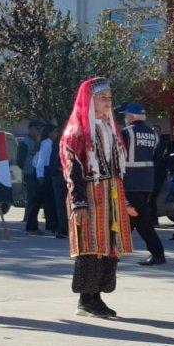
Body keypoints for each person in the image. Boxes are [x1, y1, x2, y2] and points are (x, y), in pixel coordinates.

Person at [61, 78, 135, 319]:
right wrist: (78, 202)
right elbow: (72, 171)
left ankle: (97, 297)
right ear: (90, 101)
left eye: (110, 99)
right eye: (103, 98)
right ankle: (85, 299)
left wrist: (124, 202)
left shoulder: (110, 130)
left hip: (111, 195)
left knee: (109, 247)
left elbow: (116, 170)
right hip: (90, 195)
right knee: (90, 246)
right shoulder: (77, 133)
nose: (108, 103)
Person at [119, 102, 165, 265]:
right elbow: (157, 158)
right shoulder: (154, 134)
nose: (124, 119)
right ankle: (115, 251)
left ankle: (158, 253)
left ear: (131, 117)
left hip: (131, 182)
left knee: (140, 219)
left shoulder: (126, 133)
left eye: (125, 116)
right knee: (130, 218)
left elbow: (119, 157)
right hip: (147, 182)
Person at [32, 124, 60, 235]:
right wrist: (40, 176)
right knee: (40, 201)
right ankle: (32, 226)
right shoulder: (47, 143)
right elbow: (41, 161)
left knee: (48, 201)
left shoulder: (47, 143)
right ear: (50, 133)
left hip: (45, 171)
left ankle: (51, 225)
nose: (56, 134)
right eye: (54, 132)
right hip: (43, 172)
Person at [20, 120, 45, 232]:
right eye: (37, 128)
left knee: (35, 199)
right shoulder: (24, 143)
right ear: (30, 129)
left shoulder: (40, 141)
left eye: (40, 129)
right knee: (32, 199)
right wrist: (26, 170)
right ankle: (30, 224)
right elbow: (19, 160)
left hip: (38, 173)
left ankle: (30, 221)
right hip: (30, 173)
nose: (39, 131)